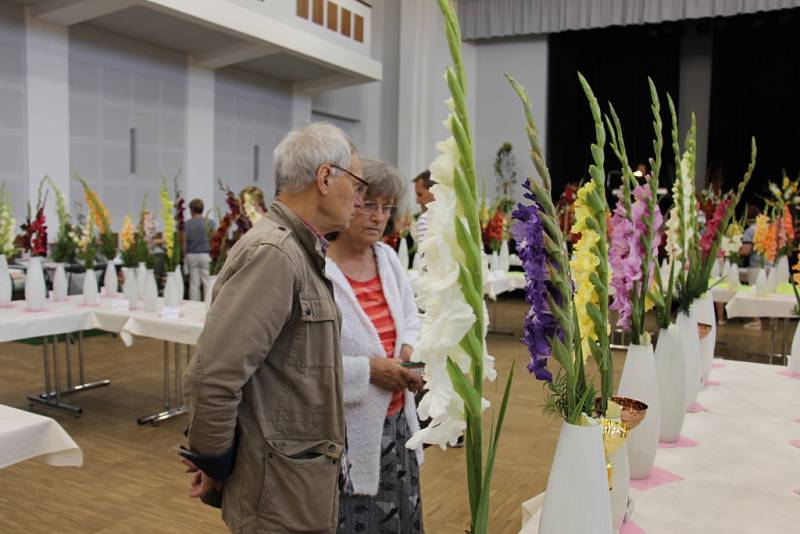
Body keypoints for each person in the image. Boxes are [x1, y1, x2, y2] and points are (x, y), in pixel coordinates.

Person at [181, 122, 366, 534]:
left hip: (294, 482)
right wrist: (216, 462)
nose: (359, 197)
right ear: (324, 177)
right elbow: (213, 376)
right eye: (356, 182)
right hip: (277, 492)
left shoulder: (299, 251)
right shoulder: (276, 255)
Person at [325, 158, 425, 533]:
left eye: (386, 208)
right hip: (349, 432)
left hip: (399, 423)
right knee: (357, 519)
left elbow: (411, 319)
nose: (379, 217)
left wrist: (407, 354)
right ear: (346, 201)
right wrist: (370, 370)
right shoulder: (320, 270)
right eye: (369, 205)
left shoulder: (387, 259)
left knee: (402, 515)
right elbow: (309, 363)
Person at [182, 199, 216, 301]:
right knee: (206, 282)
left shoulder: (186, 224)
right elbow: (214, 239)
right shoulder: (210, 223)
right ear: (202, 209)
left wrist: (184, 256)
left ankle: (193, 305)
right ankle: (207, 304)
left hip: (191, 254)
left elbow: (184, 243)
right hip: (206, 254)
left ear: (191, 210)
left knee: (194, 283)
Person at [411, 170, 435, 244]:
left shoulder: (425, 219)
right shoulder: (457, 216)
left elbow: (423, 254)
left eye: (420, 194)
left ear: (433, 191)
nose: (417, 201)